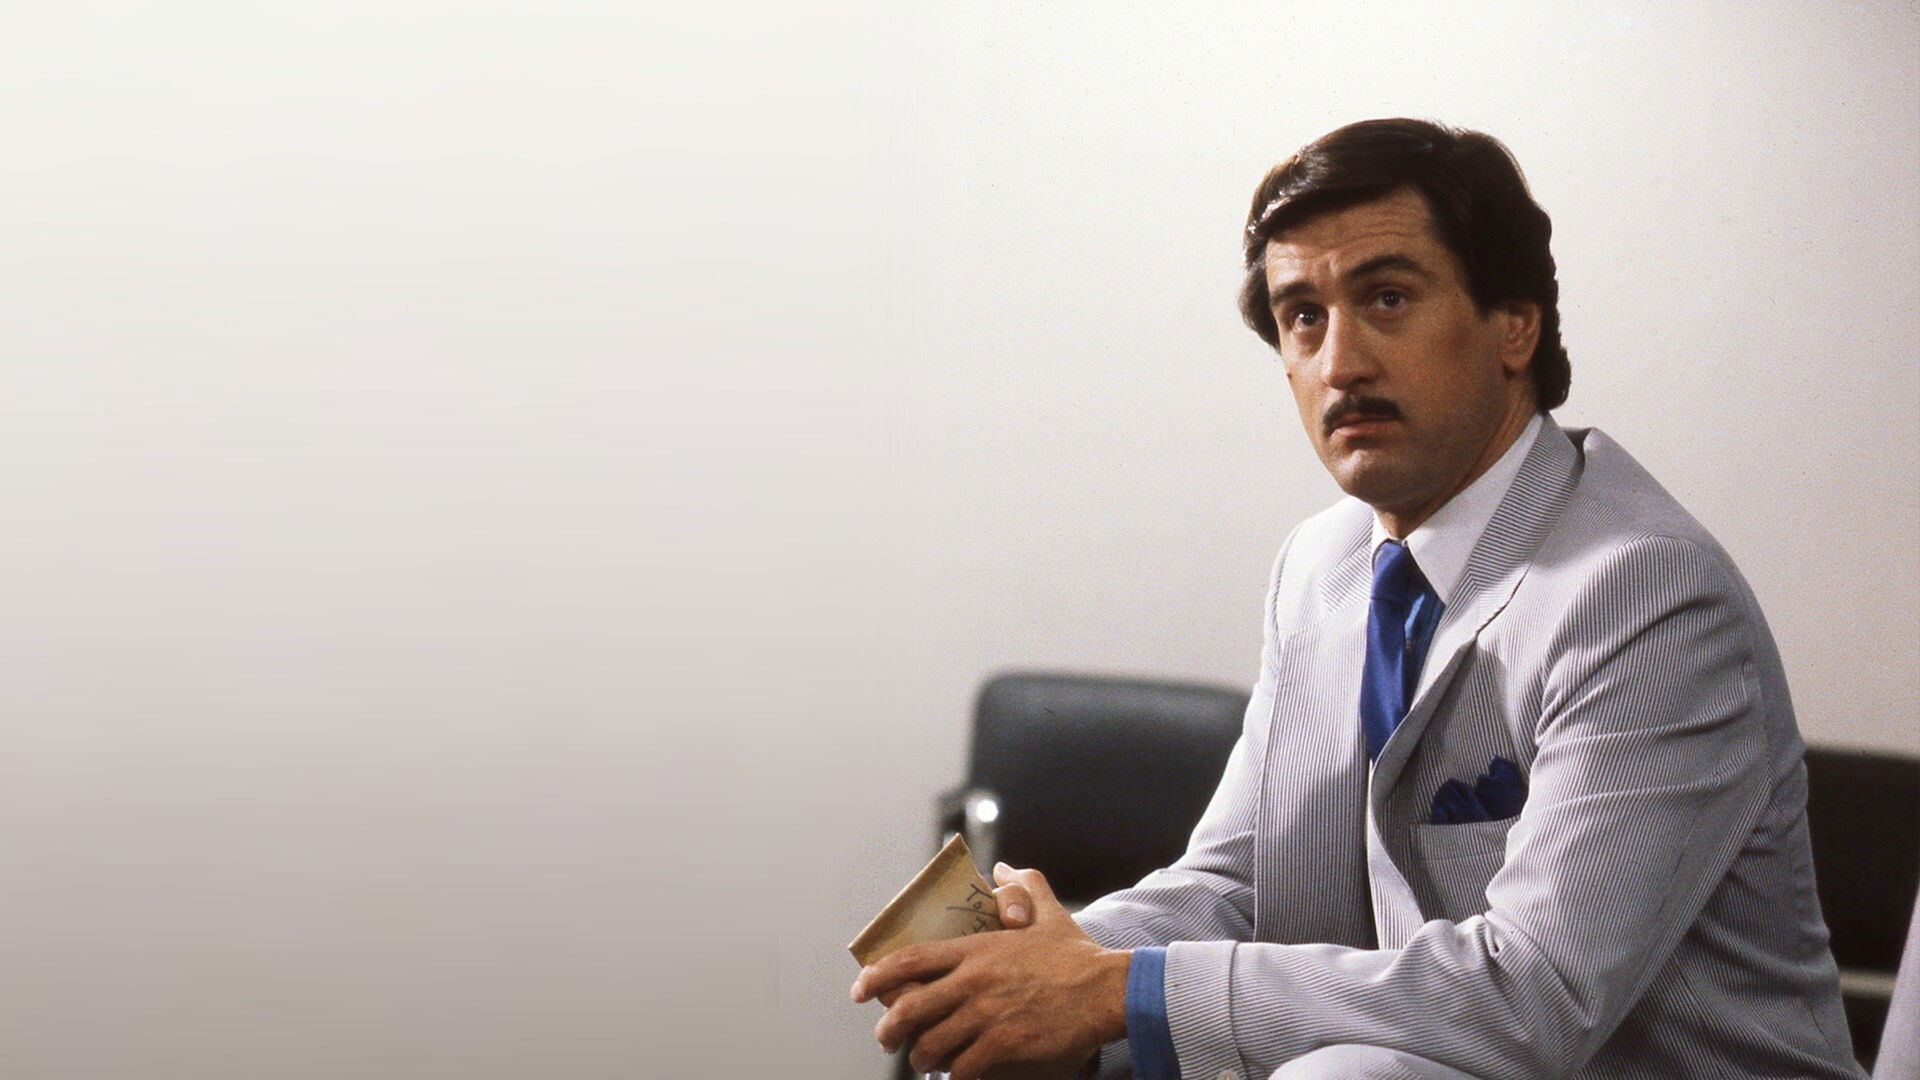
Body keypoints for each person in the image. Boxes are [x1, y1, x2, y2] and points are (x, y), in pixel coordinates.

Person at [851, 118, 1863, 1079]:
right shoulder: (1321, 565)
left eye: (1387, 299)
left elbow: (1532, 995)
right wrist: (1044, 964)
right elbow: (1240, 885)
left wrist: (1114, 991)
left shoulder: (1645, 591)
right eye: (1304, 317)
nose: (1339, 363)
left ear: (1514, 325)